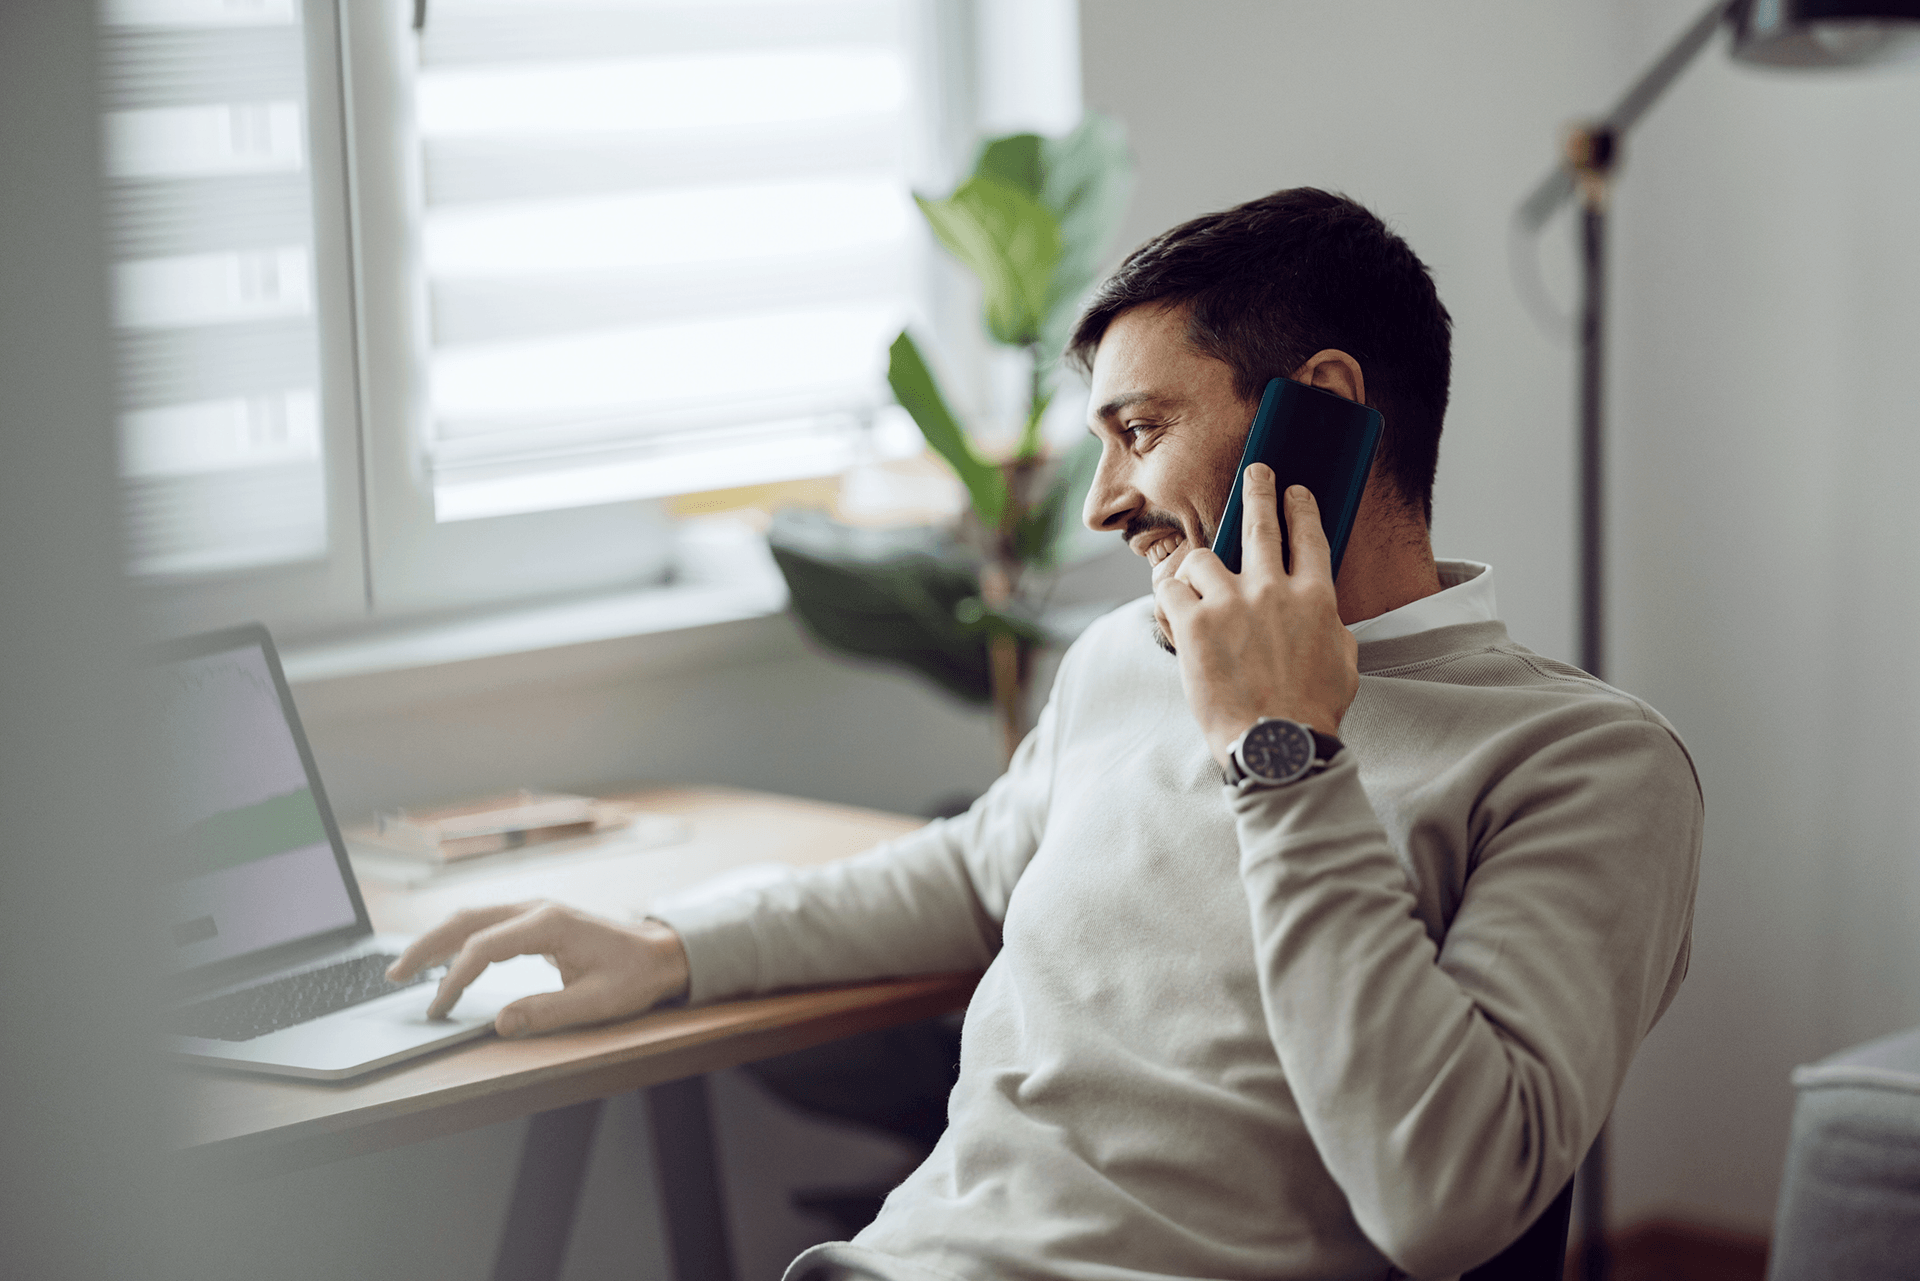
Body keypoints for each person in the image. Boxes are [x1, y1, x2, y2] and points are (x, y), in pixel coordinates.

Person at [390, 188, 1702, 1281]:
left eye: (1142, 430)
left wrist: (1281, 749)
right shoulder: (1125, 664)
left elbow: (1448, 1201)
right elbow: (969, 871)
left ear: (1327, 408)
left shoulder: (1585, 767)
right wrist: (672, 946)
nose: (1102, 506)